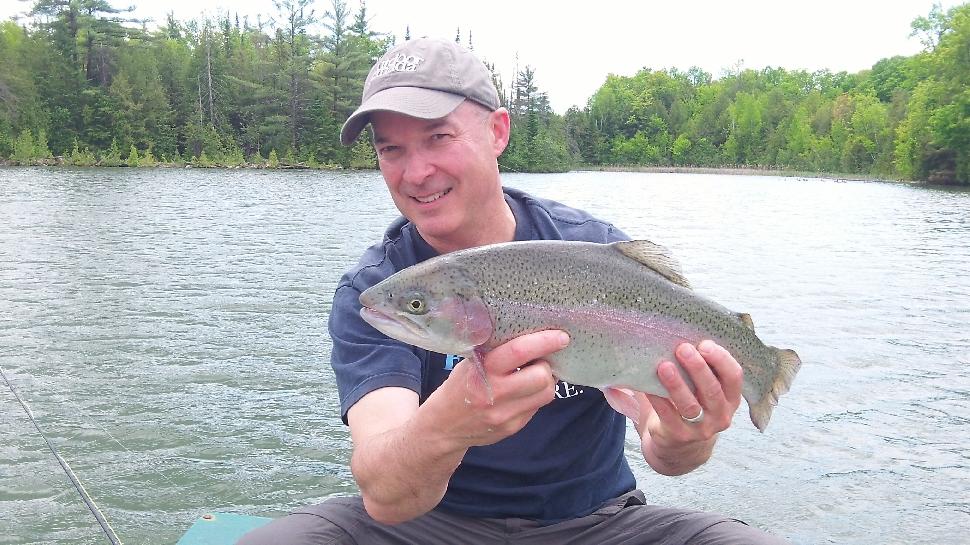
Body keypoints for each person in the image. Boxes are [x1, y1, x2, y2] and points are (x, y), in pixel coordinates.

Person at [238, 38, 788, 545]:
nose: (416, 172)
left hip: (597, 524)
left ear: (498, 131)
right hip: (426, 527)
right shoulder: (379, 293)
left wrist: (687, 430)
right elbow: (386, 494)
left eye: (438, 138)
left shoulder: (593, 252)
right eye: (391, 150)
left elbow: (662, 447)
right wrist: (447, 425)